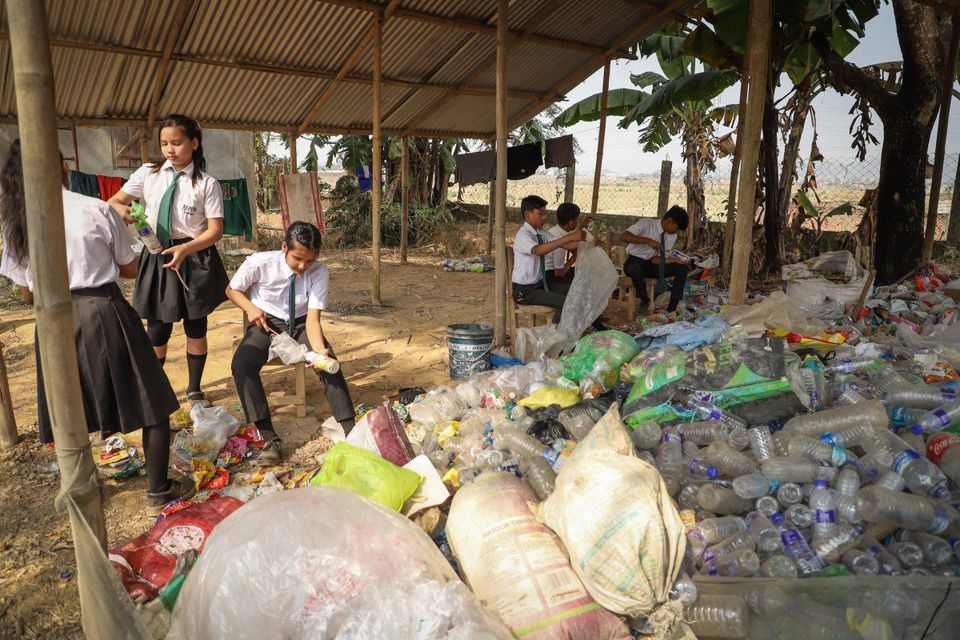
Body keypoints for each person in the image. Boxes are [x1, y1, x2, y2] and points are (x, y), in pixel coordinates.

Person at [0, 140, 190, 510]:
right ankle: (158, 490)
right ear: (61, 167)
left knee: (72, 411)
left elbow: (26, 294)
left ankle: (83, 489)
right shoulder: (94, 208)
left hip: (52, 325)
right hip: (103, 312)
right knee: (154, 403)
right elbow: (128, 267)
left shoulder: (16, 224)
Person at [108, 114, 229, 409]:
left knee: (195, 325)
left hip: (194, 256)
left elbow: (215, 230)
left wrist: (186, 249)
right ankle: (153, 390)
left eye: (176, 142)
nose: (169, 149)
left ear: (194, 143)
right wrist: (125, 213)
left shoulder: (206, 183)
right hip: (157, 253)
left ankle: (194, 390)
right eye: (164, 143)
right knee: (157, 328)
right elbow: (115, 201)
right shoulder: (148, 173)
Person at [226, 221, 355, 465]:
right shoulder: (259, 263)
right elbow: (232, 290)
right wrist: (251, 309)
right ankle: (268, 437)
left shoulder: (319, 272)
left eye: (309, 260)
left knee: (329, 364)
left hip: (302, 324)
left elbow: (313, 319)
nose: (303, 266)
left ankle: (351, 431)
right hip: (266, 323)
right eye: (297, 258)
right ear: (283, 247)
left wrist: (319, 352)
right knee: (242, 365)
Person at [511, 195, 585, 323]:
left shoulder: (540, 232)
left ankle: (563, 329)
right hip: (525, 291)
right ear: (527, 215)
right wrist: (570, 237)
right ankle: (556, 334)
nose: (544, 217)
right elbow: (538, 250)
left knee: (575, 291)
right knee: (565, 302)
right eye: (540, 214)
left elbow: (566, 245)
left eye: (545, 213)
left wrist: (588, 243)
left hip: (539, 284)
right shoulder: (523, 235)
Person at [620, 205, 690, 312]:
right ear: (670, 221)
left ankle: (671, 310)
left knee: (681, 269)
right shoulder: (647, 223)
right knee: (635, 269)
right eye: (676, 228)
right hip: (635, 261)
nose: (676, 232)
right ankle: (645, 300)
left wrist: (670, 260)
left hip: (652, 265)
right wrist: (648, 241)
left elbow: (655, 260)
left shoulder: (671, 236)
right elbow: (624, 236)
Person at [543, 202, 596, 288]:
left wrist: (582, 228)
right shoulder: (558, 239)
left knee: (585, 274)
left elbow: (572, 241)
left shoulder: (556, 231)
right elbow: (559, 274)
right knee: (581, 287)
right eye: (577, 220)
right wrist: (575, 255)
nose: (578, 222)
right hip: (549, 277)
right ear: (570, 223)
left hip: (551, 273)